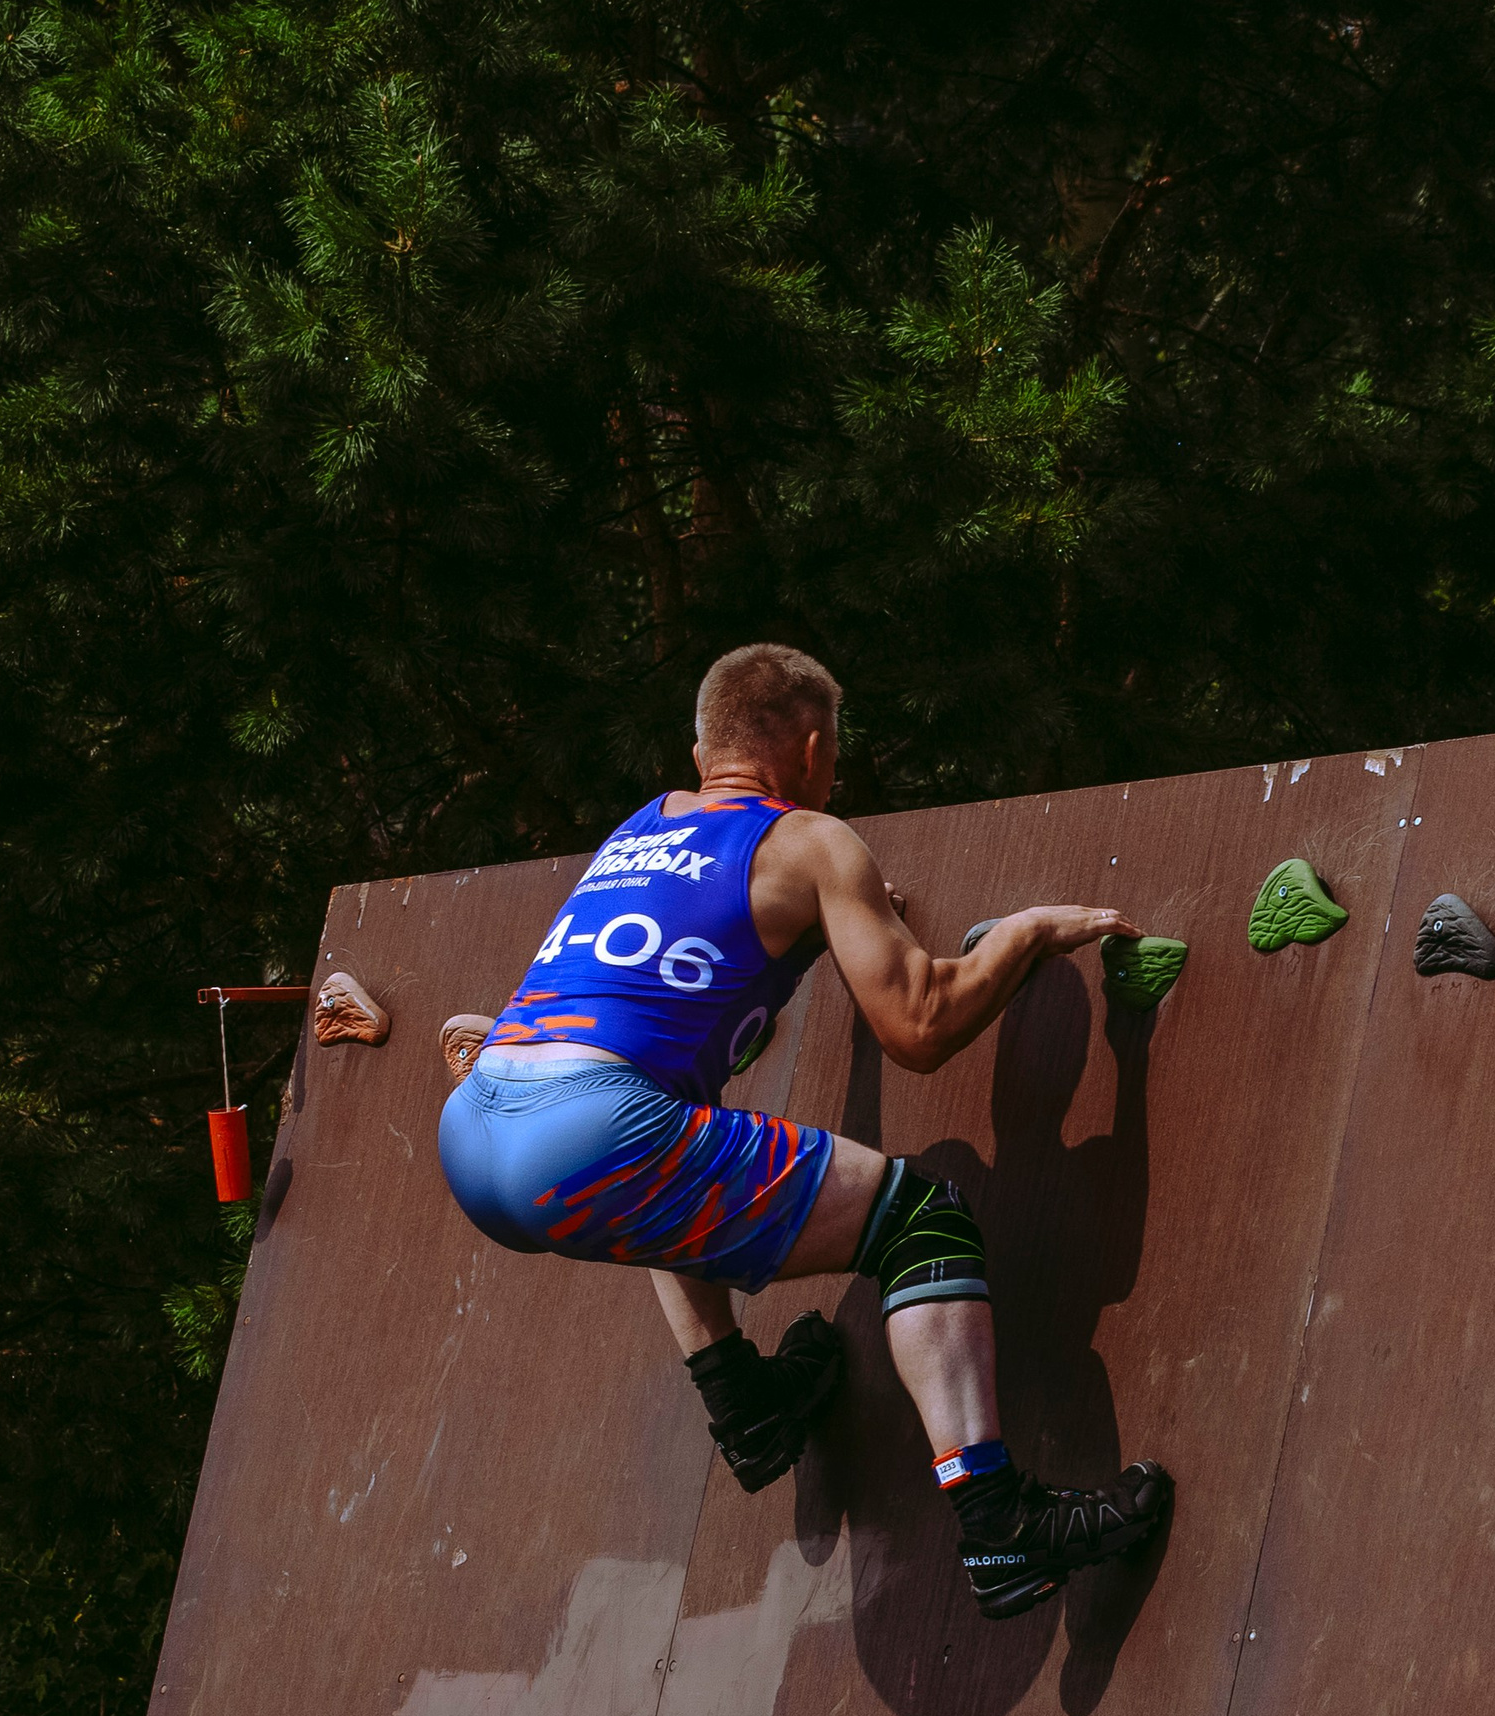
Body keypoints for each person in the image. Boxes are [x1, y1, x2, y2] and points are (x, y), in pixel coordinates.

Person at [437, 642, 1173, 1622]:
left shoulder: (637, 829)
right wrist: (1026, 932)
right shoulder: (812, 841)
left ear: (700, 744)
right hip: (594, 1132)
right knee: (925, 1222)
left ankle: (745, 1398)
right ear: (817, 746)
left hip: (479, 1128)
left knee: (683, 1145)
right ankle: (1000, 1527)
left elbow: (700, 993)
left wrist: (843, 924)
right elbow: (918, 1027)